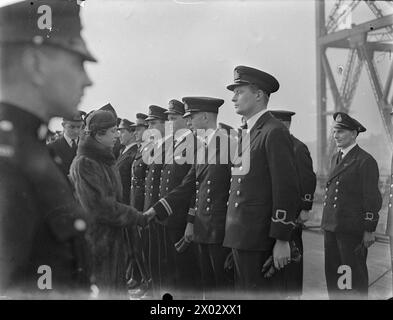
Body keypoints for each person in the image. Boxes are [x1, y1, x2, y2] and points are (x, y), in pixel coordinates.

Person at [0, 0, 95, 297]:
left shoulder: (32, 149)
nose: (87, 79)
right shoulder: (10, 162)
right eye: (77, 62)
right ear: (37, 64)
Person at [224, 66, 301, 298]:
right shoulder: (250, 132)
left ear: (258, 95)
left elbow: (286, 188)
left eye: (239, 91)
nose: (233, 97)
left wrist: (282, 240)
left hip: (260, 240)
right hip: (243, 237)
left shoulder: (273, 131)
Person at [148, 96, 233, 298]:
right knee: (208, 289)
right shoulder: (204, 148)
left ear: (204, 117)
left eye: (191, 117)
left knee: (223, 290)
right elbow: (189, 186)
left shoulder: (229, 145)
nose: (188, 123)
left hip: (221, 231)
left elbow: (237, 191)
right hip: (204, 229)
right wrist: (157, 209)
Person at [69, 110, 149, 297]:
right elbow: (99, 207)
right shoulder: (85, 163)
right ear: (98, 134)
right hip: (96, 243)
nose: (118, 135)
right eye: (113, 131)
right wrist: (137, 216)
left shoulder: (103, 159)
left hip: (110, 241)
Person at [321, 112, 382, 299]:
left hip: (350, 232)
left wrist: (369, 229)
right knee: (334, 277)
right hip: (331, 227)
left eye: (341, 131)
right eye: (334, 131)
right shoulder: (335, 158)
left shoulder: (365, 160)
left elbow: (372, 198)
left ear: (354, 134)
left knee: (352, 279)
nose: (336, 135)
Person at [155, 99, 201, 298]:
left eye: (173, 118)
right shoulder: (175, 143)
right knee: (172, 268)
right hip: (169, 215)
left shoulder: (195, 144)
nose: (169, 123)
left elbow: (194, 186)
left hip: (182, 217)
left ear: (186, 119)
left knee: (185, 272)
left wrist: (191, 219)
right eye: (168, 119)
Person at [270, 109, 317, 298]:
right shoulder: (279, 146)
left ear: (284, 125)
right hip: (281, 211)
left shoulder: (297, 147)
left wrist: (305, 208)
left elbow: (308, 179)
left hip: (294, 214)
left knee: (293, 256)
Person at [128, 113, 151, 296]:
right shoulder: (140, 149)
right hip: (134, 201)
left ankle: (147, 282)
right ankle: (142, 279)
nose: (136, 132)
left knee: (144, 245)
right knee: (137, 245)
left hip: (143, 203)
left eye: (139, 128)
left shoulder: (152, 149)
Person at [48, 111, 85, 177]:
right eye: (72, 127)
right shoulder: (52, 147)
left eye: (79, 127)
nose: (76, 131)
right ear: (63, 125)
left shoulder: (86, 144)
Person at [115, 118, 138, 204]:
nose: (119, 135)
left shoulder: (135, 153)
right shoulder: (122, 151)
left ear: (132, 133)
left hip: (125, 202)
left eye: (122, 132)